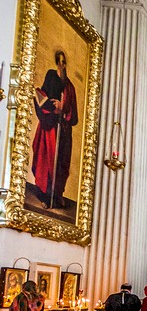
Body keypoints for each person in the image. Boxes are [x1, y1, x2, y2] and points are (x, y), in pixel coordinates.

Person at [31, 50, 79, 209]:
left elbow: (74, 115)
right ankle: (45, 196)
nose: (62, 65)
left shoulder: (70, 87)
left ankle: (57, 194)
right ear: (57, 63)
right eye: (59, 62)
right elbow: (43, 93)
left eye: (64, 62)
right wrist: (47, 103)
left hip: (63, 130)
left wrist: (63, 107)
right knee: (48, 161)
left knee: (61, 164)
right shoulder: (51, 76)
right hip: (49, 126)